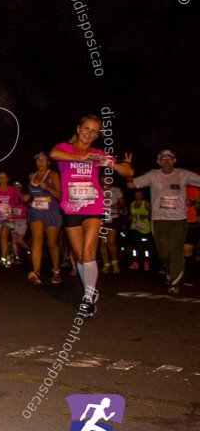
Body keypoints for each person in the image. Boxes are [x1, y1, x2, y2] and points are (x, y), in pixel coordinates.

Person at [50, 114, 133, 317]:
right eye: (86, 129)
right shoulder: (65, 149)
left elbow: (127, 170)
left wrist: (108, 163)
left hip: (93, 207)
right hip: (71, 209)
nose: (89, 133)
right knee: (80, 256)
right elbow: (54, 154)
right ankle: (91, 288)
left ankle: (87, 299)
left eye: (94, 131)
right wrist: (81, 158)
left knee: (88, 253)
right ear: (78, 129)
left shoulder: (98, 153)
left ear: (97, 136)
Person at [126, 150, 200, 294]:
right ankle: (170, 269)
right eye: (163, 158)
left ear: (175, 161)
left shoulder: (183, 174)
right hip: (159, 219)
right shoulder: (153, 175)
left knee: (176, 251)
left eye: (169, 158)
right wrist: (128, 169)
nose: (166, 161)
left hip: (179, 219)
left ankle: (175, 284)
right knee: (163, 253)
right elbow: (131, 185)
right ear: (158, 162)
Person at [26, 152, 63, 284]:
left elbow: (60, 196)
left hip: (51, 211)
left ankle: (56, 270)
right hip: (36, 210)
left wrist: (47, 188)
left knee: (52, 243)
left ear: (48, 162)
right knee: (37, 239)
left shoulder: (53, 175)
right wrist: (28, 197)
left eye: (43, 160)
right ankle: (36, 271)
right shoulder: (32, 176)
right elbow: (32, 193)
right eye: (38, 160)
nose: (40, 162)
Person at [98, 179, 125, 275]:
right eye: (103, 177)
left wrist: (117, 205)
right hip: (102, 216)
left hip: (113, 216)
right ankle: (106, 264)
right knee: (102, 242)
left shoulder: (116, 190)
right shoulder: (98, 189)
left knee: (111, 241)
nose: (105, 179)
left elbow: (122, 202)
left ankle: (115, 263)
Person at [127, 189, 152, 271]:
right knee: (134, 246)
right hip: (134, 227)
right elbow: (130, 214)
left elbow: (153, 213)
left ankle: (146, 263)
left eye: (139, 194)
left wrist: (145, 216)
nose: (137, 196)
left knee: (145, 247)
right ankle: (135, 262)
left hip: (144, 228)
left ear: (142, 196)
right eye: (136, 194)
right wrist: (129, 217)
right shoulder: (132, 204)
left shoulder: (146, 203)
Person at [11, 182, 30, 264]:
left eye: (18, 187)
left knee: (20, 240)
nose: (16, 189)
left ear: (21, 188)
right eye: (15, 187)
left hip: (22, 221)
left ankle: (30, 250)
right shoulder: (11, 198)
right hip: (13, 221)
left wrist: (26, 211)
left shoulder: (24, 197)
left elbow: (31, 206)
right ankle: (17, 257)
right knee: (14, 240)